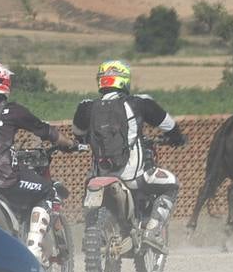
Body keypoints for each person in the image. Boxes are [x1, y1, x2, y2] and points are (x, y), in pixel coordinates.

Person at [0, 61, 75, 263]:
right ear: (4, 82)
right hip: (7, 181)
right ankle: (33, 249)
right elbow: (45, 131)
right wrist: (68, 144)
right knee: (48, 190)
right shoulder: (13, 111)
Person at [72, 60, 186, 240]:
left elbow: (77, 133)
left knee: (88, 189)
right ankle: (152, 229)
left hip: (99, 175)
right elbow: (170, 126)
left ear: (101, 81)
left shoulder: (85, 107)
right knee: (172, 183)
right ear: (124, 80)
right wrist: (177, 139)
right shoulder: (140, 103)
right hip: (134, 177)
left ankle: (92, 230)